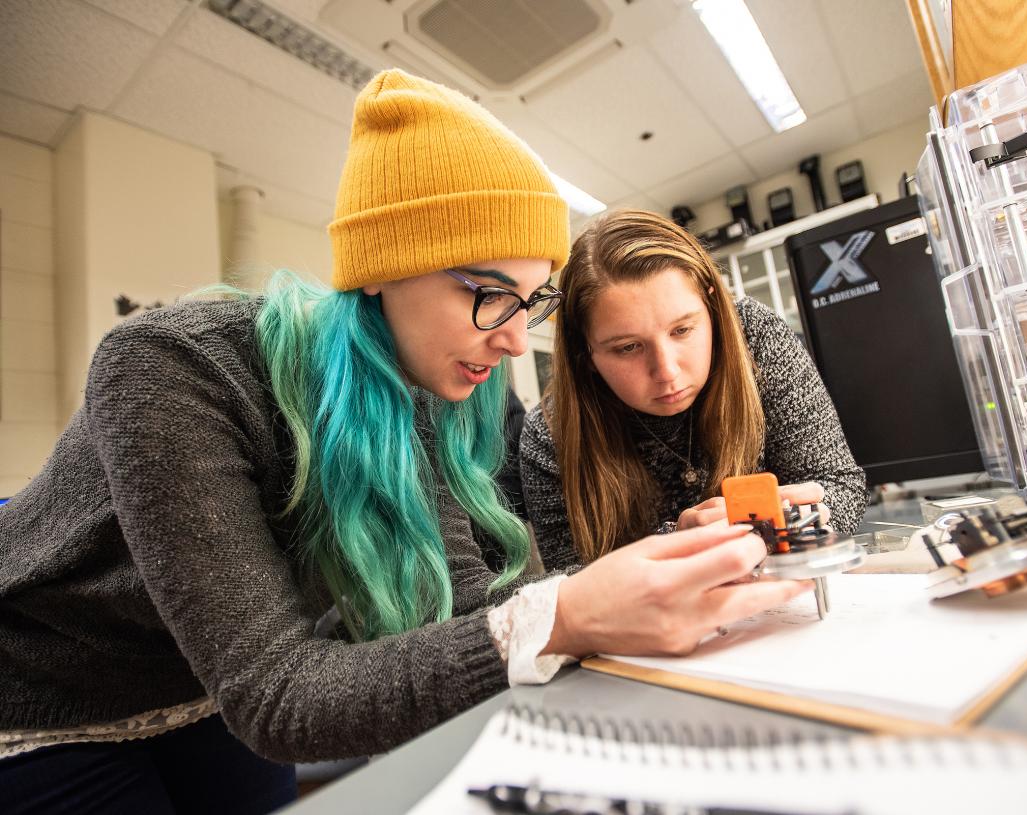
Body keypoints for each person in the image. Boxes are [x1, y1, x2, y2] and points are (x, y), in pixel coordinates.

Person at [0, 73, 809, 814]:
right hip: (52, 699)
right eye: (490, 293)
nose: (513, 339)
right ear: (384, 265)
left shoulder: (425, 387)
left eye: (530, 301)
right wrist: (566, 615)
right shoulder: (171, 366)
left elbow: (467, 609)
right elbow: (278, 694)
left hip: (212, 691)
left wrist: (651, 575)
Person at [521, 209, 867, 571]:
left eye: (682, 330)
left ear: (713, 309)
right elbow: (569, 582)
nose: (666, 371)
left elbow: (840, 486)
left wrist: (788, 523)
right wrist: (678, 545)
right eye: (628, 347)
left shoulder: (756, 339)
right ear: (585, 353)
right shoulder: (551, 433)